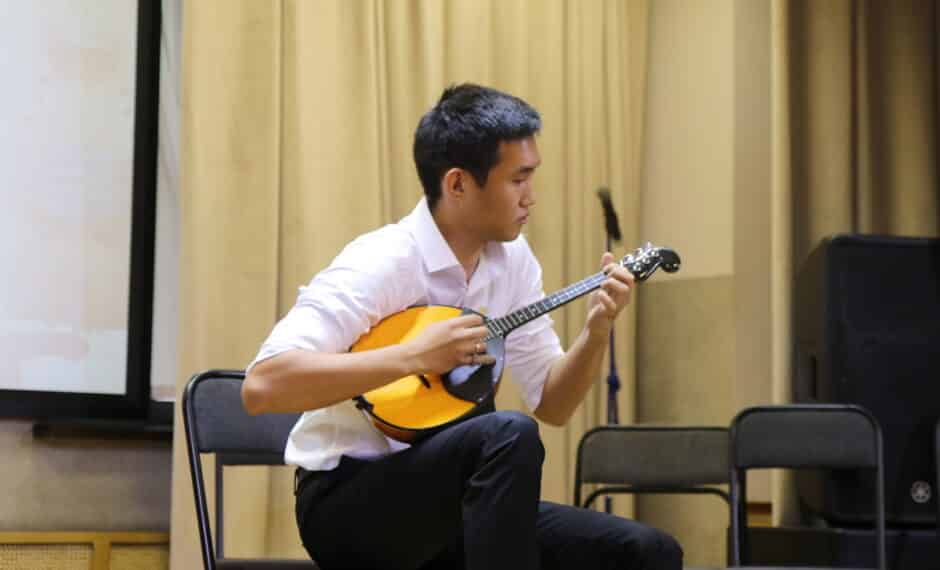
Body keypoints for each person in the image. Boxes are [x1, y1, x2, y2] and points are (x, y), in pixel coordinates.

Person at [242, 83, 683, 570]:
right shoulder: (384, 260)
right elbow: (263, 386)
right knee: (507, 434)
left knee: (647, 552)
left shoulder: (513, 261)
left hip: (454, 501)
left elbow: (553, 404)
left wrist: (596, 332)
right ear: (457, 184)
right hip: (347, 503)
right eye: (518, 180)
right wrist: (412, 356)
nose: (531, 198)